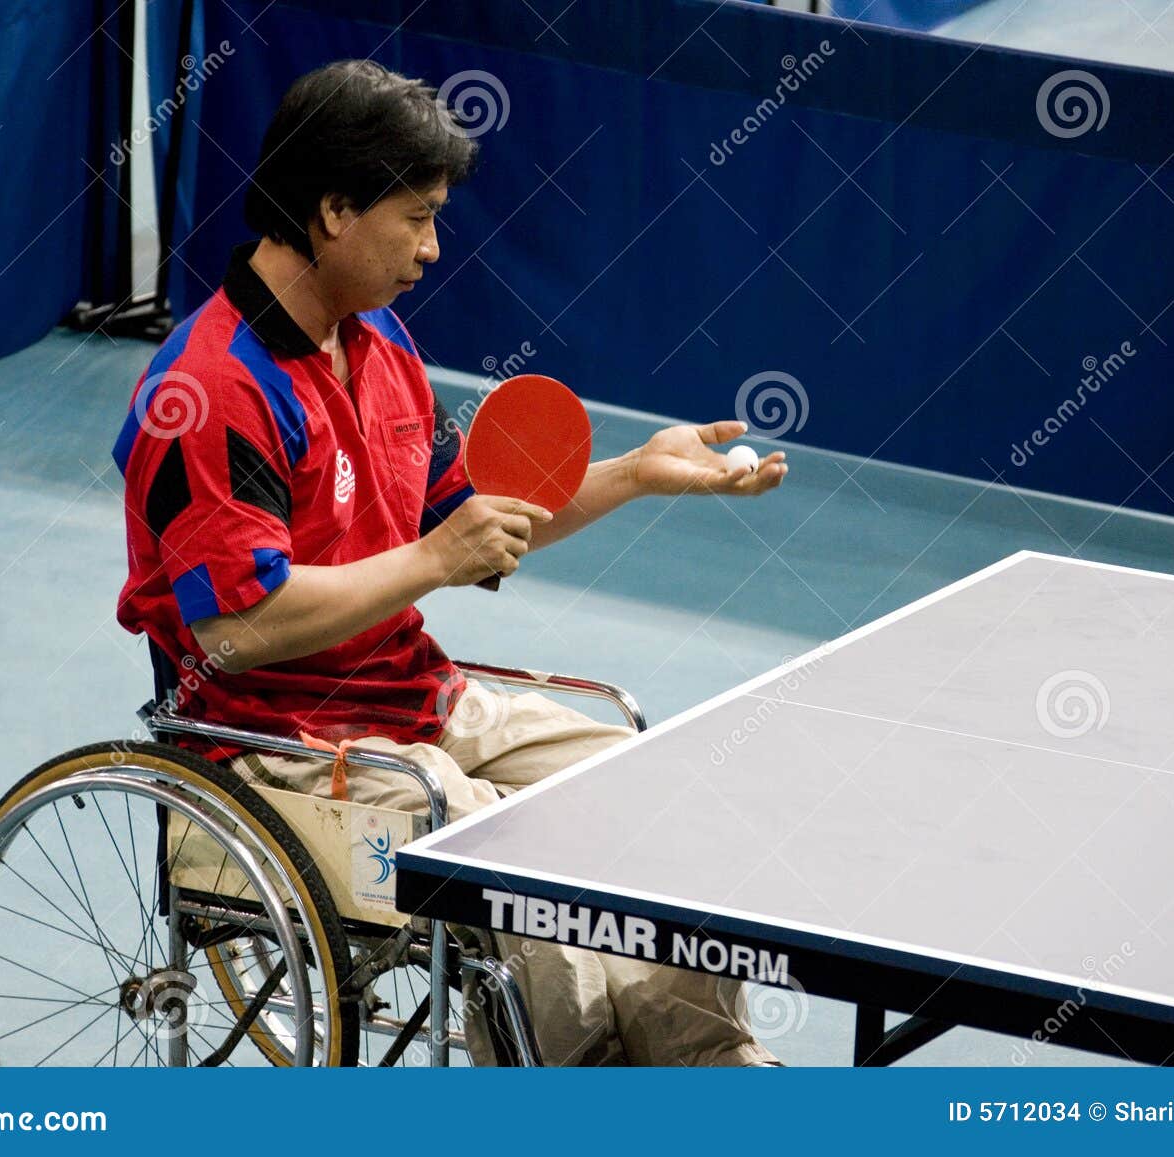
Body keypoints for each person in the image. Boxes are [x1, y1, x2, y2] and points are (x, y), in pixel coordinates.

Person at [114, 59, 788, 1065]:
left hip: (415, 699)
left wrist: (637, 474)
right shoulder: (213, 392)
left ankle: (705, 1070)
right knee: (518, 868)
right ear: (334, 209)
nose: (432, 248)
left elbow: (472, 522)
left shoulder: (378, 346)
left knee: (660, 801)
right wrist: (431, 560)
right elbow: (237, 629)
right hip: (272, 743)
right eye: (415, 217)